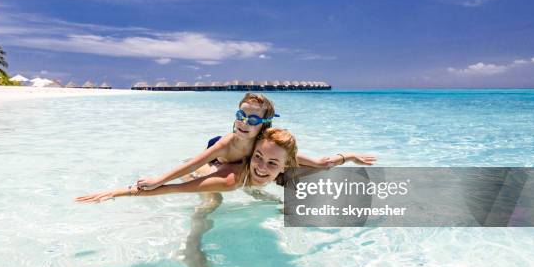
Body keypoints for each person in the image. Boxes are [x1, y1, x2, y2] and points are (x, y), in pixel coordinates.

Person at [136, 93, 376, 191]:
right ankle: (194, 250)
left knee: (309, 169)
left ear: (264, 123)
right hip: (214, 161)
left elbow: (319, 162)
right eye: (240, 115)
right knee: (209, 202)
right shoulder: (227, 142)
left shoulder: (264, 143)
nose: (244, 122)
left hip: (241, 165)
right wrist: (159, 180)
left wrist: (349, 156)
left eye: (252, 118)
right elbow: (193, 165)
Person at [75, 127, 299, 203]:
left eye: (272, 163)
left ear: (284, 166)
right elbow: (171, 188)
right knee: (210, 204)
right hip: (196, 175)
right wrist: (116, 192)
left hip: (220, 168)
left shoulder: (287, 165)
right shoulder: (229, 181)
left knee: (256, 187)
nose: (261, 166)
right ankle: (192, 251)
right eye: (258, 156)